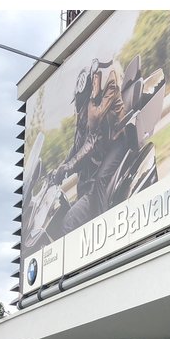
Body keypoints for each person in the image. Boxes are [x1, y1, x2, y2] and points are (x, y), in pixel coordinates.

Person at [59, 59, 130, 234]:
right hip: (107, 140)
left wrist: (93, 94)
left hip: (118, 139)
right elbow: (79, 143)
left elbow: (94, 124)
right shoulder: (93, 97)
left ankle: (106, 224)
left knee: (100, 180)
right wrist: (63, 165)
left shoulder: (110, 83)